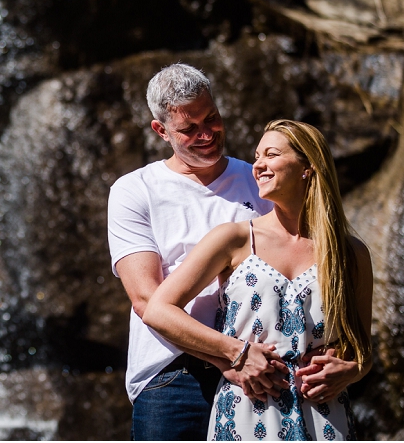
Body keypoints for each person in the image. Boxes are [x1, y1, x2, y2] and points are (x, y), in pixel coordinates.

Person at [143, 119, 373, 440]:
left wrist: (352, 370)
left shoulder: (350, 252)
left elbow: (363, 348)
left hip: (326, 418)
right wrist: (235, 353)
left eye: (271, 154)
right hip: (247, 415)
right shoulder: (234, 239)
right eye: (257, 156)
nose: (258, 165)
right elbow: (158, 310)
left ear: (307, 166)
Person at [108, 63, 284, 440]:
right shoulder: (134, 190)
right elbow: (145, 300)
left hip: (263, 362)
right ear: (161, 131)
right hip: (173, 373)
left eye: (213, 118)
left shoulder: (259, 180)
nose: (207, 134)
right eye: (189, 129)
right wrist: (229, 357)